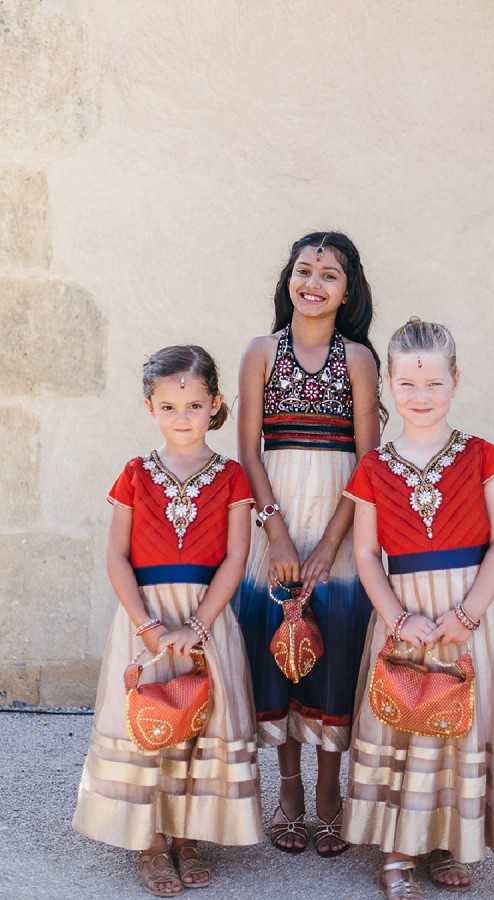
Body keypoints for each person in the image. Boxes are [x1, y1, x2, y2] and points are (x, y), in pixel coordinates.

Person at [341, 318, 494, 898]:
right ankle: (399, 848)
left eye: (433, 383)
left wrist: (468, 614)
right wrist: (397, 618)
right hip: (406, 612)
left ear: (455, 380)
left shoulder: (485, 457)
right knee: (409, 722)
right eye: (408, 385)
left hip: (471, 612)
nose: (421, 397)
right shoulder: (374, 469)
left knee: (464, 727)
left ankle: (449, 842)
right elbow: (365, 554)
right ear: (388, 383)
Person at [72, 345, 263, 898]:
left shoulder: (230, 478)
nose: (183, 417)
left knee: (201, 719)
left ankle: (186, 834)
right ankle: (150, 840)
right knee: (150, 721)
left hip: (207, 616)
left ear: (215, 405)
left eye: (194, 405)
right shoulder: (135, 475)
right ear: (150, 408)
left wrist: (199, 625)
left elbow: (234, 557)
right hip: (146, 617)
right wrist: (148, 626)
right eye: (169, 406)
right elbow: (116, 556)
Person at [233, 232, 383, 856]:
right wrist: (275, 528)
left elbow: (370, 461)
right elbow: (247, 450)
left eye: (330, 274)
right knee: (276, 649)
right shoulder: (261, 351)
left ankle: (330, 794)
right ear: (288, 278)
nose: (313, 283)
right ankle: (287, 791)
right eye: (304, 269)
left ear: (348, 292)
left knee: (335, 648)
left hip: (342, 521)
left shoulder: (360, 359)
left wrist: (328, 544)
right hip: (277, 513)